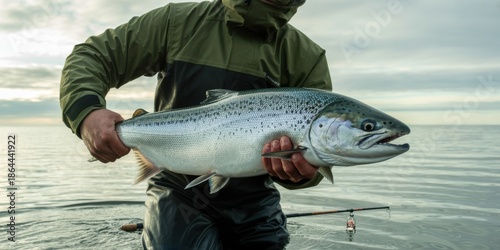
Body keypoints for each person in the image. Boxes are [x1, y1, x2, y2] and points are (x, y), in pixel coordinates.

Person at [60, 0, 332, 249]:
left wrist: (304, 173)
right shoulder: (176, 23)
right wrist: (86, 112)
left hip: (255, 200)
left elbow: (320, 151)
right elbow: (93, 55)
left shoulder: (307, 57)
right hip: (176, 190)